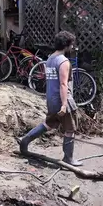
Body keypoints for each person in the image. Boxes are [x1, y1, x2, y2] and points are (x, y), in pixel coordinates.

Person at [18, 31, 83, 166]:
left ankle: (25, 140)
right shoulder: (64, 62)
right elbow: (63, 84)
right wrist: (64, 105)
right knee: (70, 129)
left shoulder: (50, 59)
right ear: (67, 45)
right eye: (71, 44)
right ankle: (68, 158)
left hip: (51, 98)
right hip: (62, 99)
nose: (72, 47)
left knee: (49, 124)